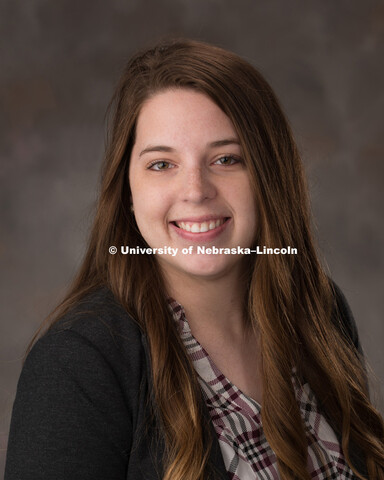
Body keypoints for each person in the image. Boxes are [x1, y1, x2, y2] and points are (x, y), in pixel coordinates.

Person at [5, 39, 384, 480]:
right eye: (162, 165)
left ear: (270, 177)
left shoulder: (319, 311)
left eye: (226, 159)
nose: (196, 190)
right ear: (128, 192)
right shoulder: (79, 364)